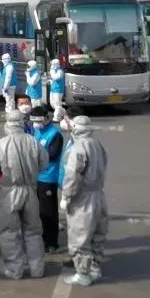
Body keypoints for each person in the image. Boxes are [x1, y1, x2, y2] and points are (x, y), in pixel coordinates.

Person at [0, 111, 49, 280]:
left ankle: (14, 269)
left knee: (9, 232)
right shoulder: (34, 142)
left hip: (8, 191)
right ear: (23, 123)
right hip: (30, 190)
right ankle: (37, 269)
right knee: (33, 231)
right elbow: (44, 164)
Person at [60, 115, 109, 286]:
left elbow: (73, 175)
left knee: (79, 237)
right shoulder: (97, 144)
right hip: (98, 195)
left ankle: (83, 274)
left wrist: (66, 195)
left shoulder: (78, 148)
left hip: (83, 198)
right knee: (97, 234)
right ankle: (95, 267)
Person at [32, 106, 65, 253]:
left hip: (48, 178)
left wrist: (32, 155)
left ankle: (52, 242)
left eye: (38, 121)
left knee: (49, 212)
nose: (36, 124)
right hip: (36, 176)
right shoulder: (37, 131)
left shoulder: (55, 134)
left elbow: (52, 155)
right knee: (39, 212)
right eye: (33, 121)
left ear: (46, 118)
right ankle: (43, 238)